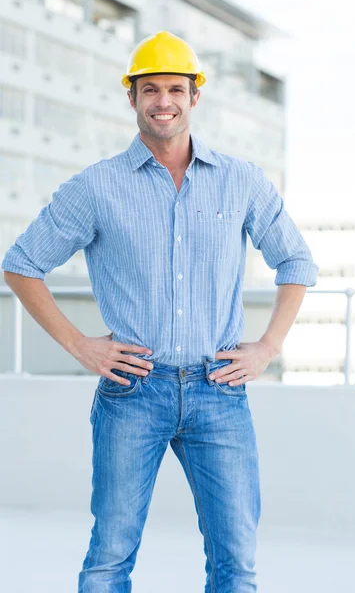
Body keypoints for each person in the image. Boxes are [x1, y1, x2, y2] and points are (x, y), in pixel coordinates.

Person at [1, 30, 319, 592]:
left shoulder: (241, 180)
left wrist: (268, 346)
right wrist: (81, 344)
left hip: (219, 392)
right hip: (133, 392)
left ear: (195, 96)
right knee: (109, 560)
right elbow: (22, 264)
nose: (163, 101)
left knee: (236, 563)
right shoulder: (97, 186)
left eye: (176, 88)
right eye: (151, 89)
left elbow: (295, 261)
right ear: (132, 97)